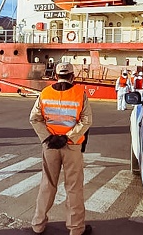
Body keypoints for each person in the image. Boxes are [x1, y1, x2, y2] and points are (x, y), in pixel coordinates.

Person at [29, 62, 93, 235]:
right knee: (74, 187)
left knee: (47, 185)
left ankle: (38, 224)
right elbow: (86, 121)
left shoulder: (45, 93)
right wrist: (67, 137)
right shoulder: (80, 94)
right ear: (73, 76)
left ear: (56, 76)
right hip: (72, 147)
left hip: (50, 146)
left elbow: (35, 118)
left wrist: (49, 138)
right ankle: (76, 229)